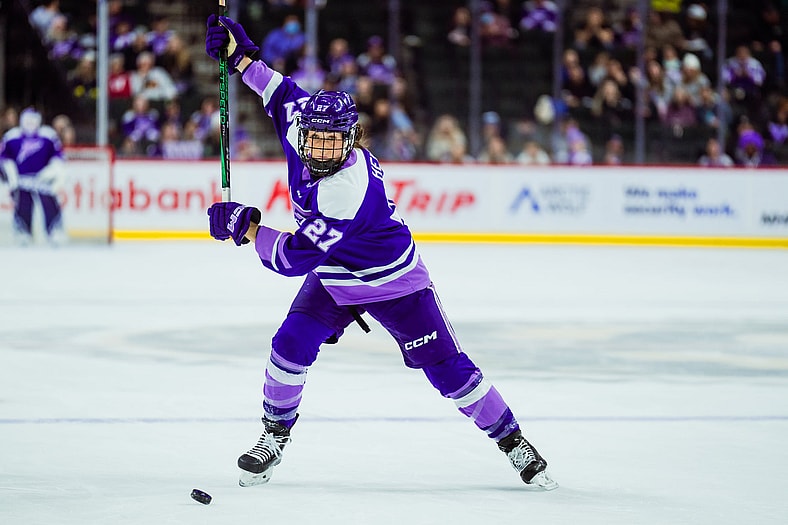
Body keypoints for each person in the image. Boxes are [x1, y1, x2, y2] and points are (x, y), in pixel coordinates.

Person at [203, 15, 558, 490]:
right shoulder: (304, 125)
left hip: (394, 283)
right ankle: (273, 436)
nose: (319, 149)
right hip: (336, 277)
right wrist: (240, 59)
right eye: (314, 139)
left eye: (331, 141)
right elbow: (279, 92)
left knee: (448, 372)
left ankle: (513, 441)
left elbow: (293, 258)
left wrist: (245, 227)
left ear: (350, 140)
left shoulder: (346, 189)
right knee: (288, 346)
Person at [0, 108, 66, 245]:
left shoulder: (48, 136)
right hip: (21, 179)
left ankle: (54, 229)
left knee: (49, 203)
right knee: (22, 204)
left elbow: (57, 155)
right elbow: (3, 157)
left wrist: (54, 170)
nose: (30, 124)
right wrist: (9, 172)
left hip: (42, 179)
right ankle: (22, 231)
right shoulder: (11, 137)